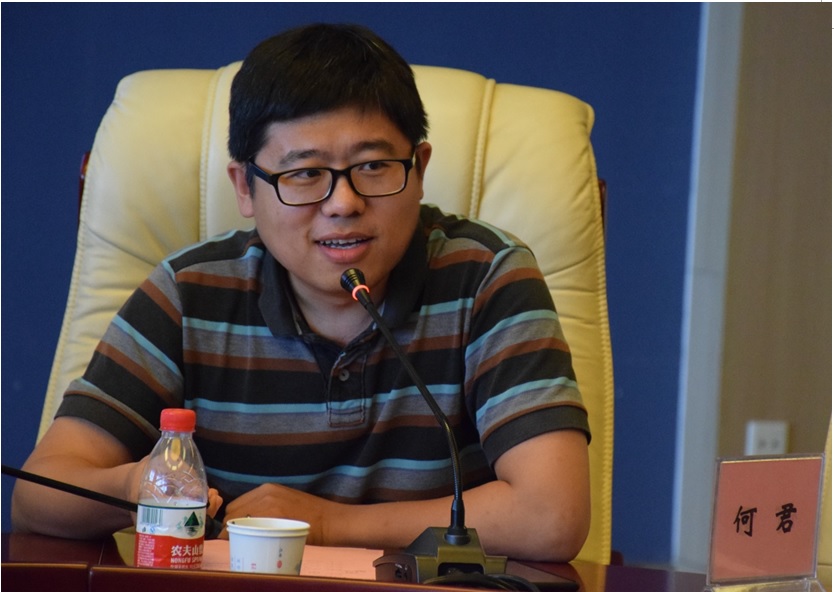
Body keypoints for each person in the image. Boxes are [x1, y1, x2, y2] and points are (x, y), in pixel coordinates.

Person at [12, 23, 590, 562]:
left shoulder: (486, 278)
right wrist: (137, 484)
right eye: (305, 173)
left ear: (418, 169)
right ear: (245, 187)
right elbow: (39, 497)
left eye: (374, 166)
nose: (344, 203)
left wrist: (329, 523)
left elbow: (552, 515)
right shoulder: (189, 295)